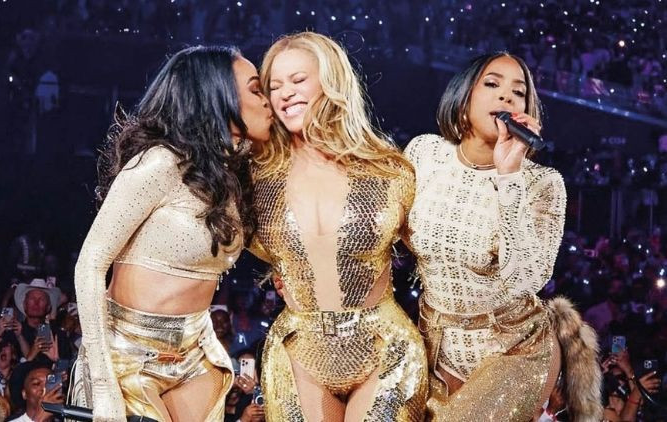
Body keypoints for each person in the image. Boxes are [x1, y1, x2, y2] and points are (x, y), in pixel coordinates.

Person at [72, 45, 272, 421]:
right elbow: (89, 266)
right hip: (128, 353)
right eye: (256, 90)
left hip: (196, 353)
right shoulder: (160, 163)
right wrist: (103, 384)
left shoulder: (234, 174)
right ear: (217, 95)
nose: (269, 101)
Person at [403, 52, 602, 421]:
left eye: (519, 92)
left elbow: (527, 280)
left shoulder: (542, 183)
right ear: (463, 97)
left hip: (513, 349)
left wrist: (509, 175)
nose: (507, 96)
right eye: (492, 84)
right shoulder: (425, 153)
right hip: (434, 344)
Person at [251, 32, 427, 421]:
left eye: (298, 80)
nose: (285, 94)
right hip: (299, 349)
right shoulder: (256, 177)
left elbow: (436, 254)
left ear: (331, 82)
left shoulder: (389, 170)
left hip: (384, 348)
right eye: (274, 86)